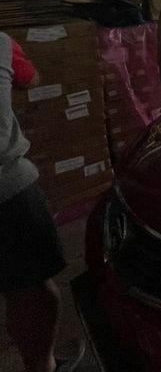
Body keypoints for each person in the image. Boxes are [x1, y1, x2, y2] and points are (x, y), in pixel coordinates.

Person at [0, 33, 83, 372]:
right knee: (32, 290)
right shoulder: (2, 43)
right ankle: (41, 366)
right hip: (7, 191)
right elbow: (30, 78)